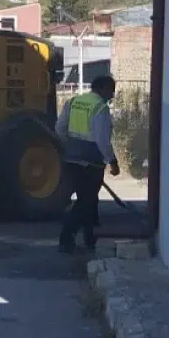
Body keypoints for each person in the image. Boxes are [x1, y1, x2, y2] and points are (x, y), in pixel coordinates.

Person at [55, 75, 119, 253]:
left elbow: (60, 128)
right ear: (103, 88)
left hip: (71, 160)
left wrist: (70, 147)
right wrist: (112, 161)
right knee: (86, 201)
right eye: (111, 90)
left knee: (89, 200)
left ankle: (91, 238)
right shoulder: (100, 108)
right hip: (91, 163)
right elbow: (102, 140)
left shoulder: (73, 102)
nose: (112, 95)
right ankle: (66, 238)